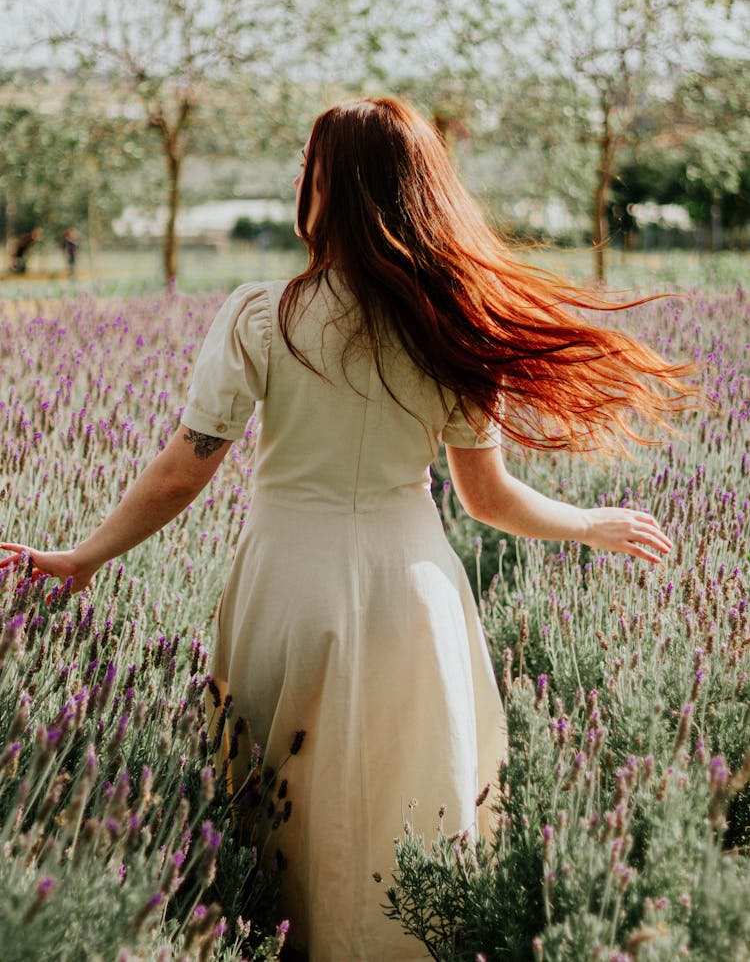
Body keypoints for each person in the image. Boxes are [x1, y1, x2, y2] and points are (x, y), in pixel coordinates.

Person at [1, 98, 692, 961]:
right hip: (416, 590)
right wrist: (589, 522)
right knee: (412, 816)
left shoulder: (263, 315)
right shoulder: (451, 325)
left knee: (274, 816)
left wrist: (84, 554)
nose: (301, 179)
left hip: (287, 583)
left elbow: (186, 468)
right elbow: (488, 500)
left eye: (310, 166)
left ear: (329, 188)